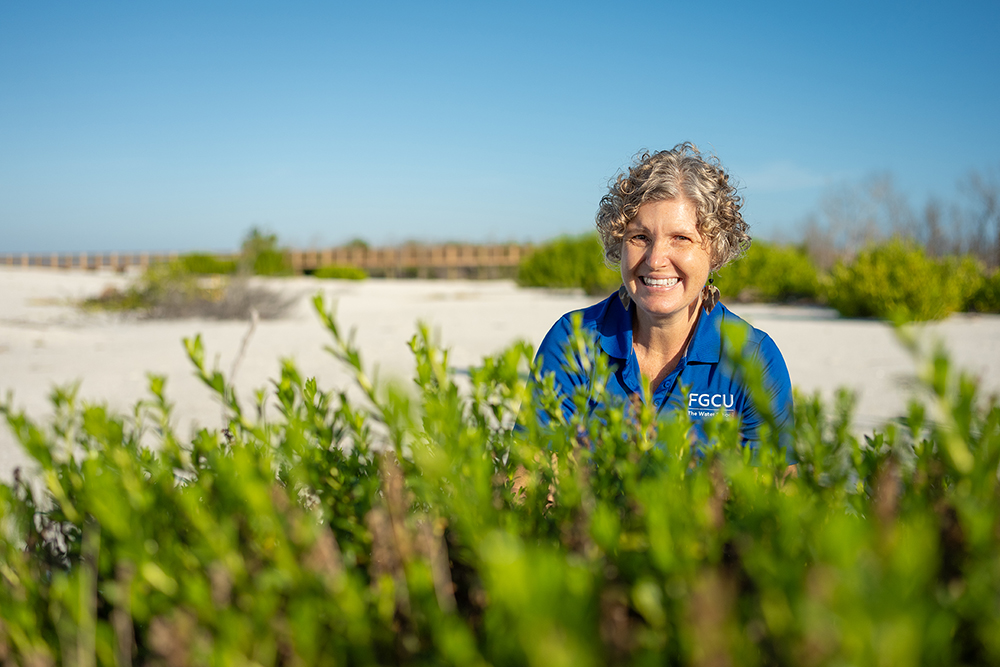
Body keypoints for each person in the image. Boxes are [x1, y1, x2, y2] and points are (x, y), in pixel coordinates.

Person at [534, 143, 794, 457]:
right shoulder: (573, 340)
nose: (656, 259)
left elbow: (776, 490)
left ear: (716, 251)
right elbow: (530, 478)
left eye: (681, 238)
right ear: (619, 243)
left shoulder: (753, 359)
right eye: (640, 237)